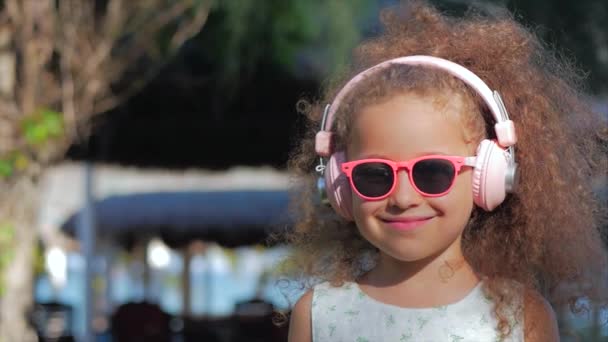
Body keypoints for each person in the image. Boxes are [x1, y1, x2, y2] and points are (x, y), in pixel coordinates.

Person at [281, 1, 608, 341]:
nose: (404, 197)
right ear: (338, 185)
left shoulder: (523, 317)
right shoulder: (319, 316)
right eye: (374, 175)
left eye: (433, 173)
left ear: (491, 177)